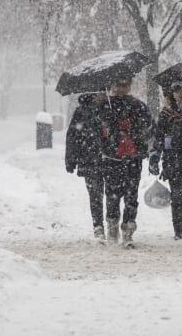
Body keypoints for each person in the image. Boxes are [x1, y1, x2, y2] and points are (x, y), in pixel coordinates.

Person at [98, 76, 152, 246]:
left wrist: (134, 130)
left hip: (132, 157)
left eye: (125, 84)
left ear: (129, 86)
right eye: (118, 84)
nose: (121, 88)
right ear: (112, 86)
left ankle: (128, 230)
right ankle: (113, 228)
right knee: (113, 195)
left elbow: (149, 126)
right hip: (112, 157)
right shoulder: (104, 105)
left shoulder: (138, 105)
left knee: (131, 195)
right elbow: (96, 129)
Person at [149, 80, 182, 240]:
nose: (180, 94)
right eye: (177, 91)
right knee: (176, 196)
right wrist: (155, 156)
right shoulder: (165, 114)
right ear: (171, 93)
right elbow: (159, 137)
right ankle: (179, 230)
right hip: (172, 160)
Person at [65, 93, 107, 241]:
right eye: (96, 94)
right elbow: (72, 136)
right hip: (89, 159)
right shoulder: (81, 112)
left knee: (111, 193)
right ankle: (98, 225)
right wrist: (70, 159)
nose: (99, 96)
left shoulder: (112, 109)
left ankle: (112, 221)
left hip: (110, 159)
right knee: (95, 194)